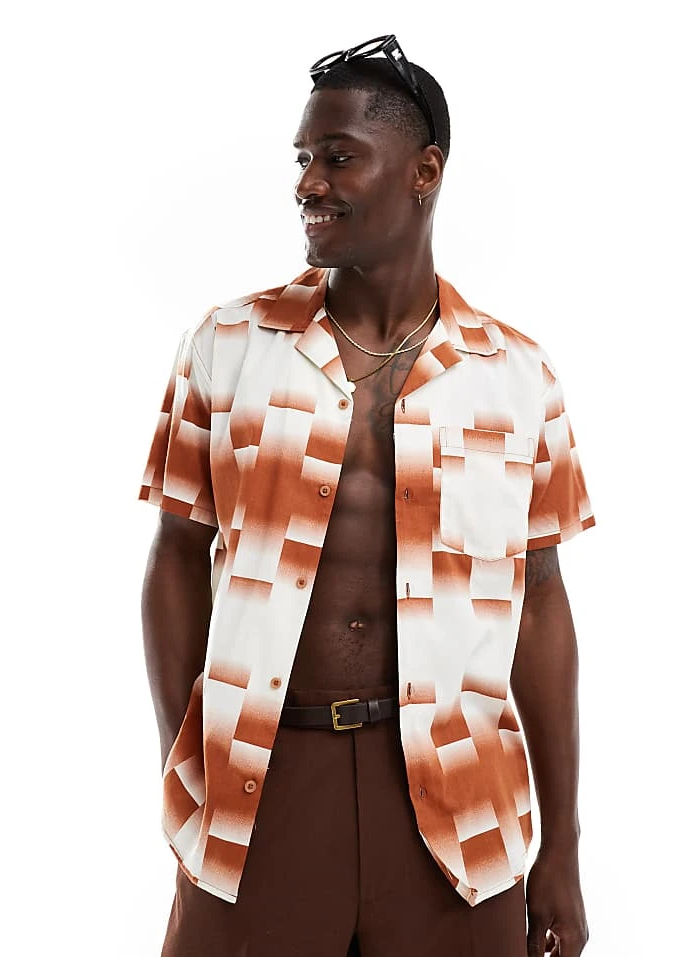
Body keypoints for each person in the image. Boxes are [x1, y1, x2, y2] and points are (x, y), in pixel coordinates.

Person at [140, 34, 594, 957]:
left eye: (339, 157)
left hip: (458, 803)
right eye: (303, 158)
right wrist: (190, 768)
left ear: (425, 171)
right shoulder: (227, 345)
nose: (308, 183)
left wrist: (562, 848)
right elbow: (176, 556)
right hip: (262, 786)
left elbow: (542, 602)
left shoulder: (518, 375)